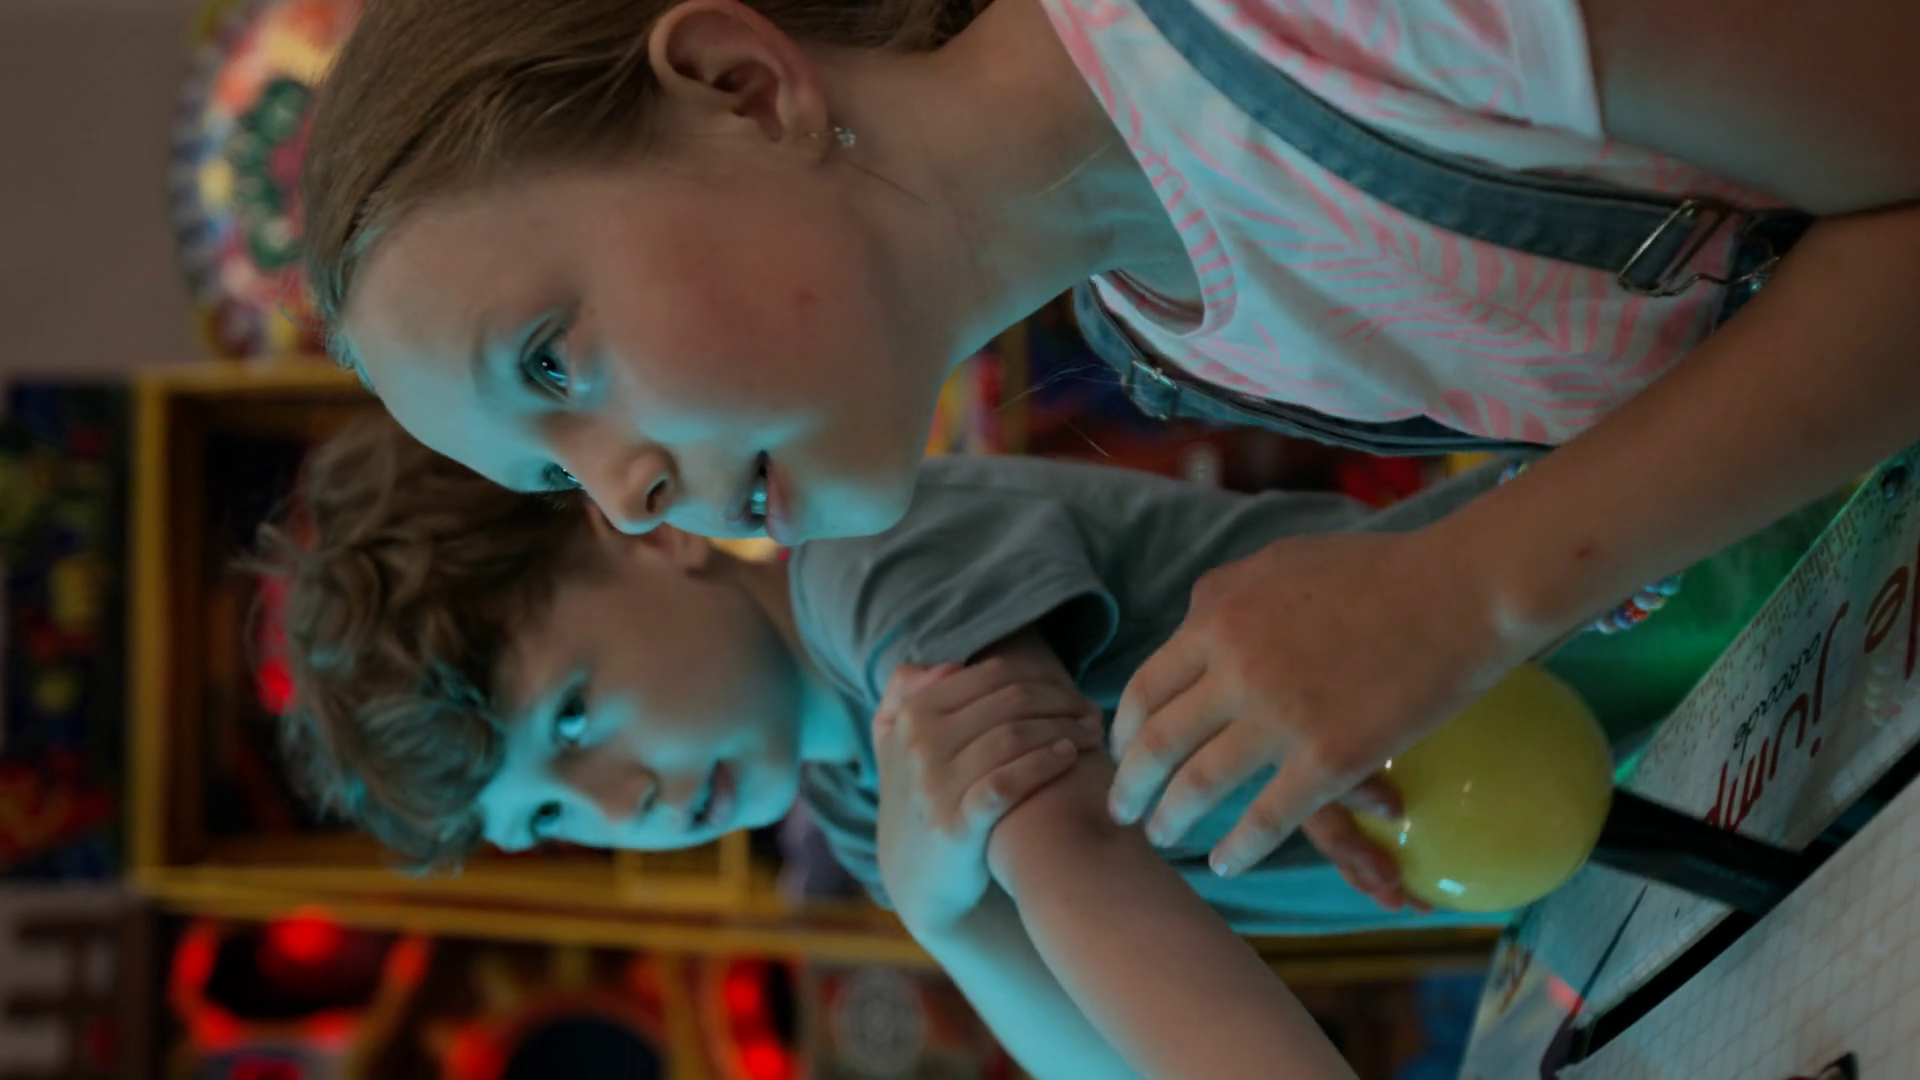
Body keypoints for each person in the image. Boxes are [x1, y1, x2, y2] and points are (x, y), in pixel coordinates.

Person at [298, 0, 1920, 893]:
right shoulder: (1169, 328)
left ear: (739, 85)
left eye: (552, 360)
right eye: (554, 473)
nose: (627, 491)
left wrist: (1469, 592)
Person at [267, 418, 1552, 1077]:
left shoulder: (863, 563)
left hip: (1573, 637)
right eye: (552, 817)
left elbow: (1073, 853)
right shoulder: (858, 800)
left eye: (574, 719)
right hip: (1541, 806)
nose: (626, 802)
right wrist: (941, 911)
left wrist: (949, 888)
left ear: (646, 532)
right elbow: (1103, 1059)